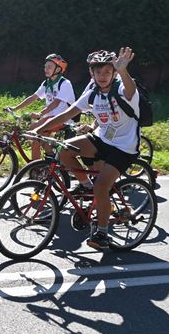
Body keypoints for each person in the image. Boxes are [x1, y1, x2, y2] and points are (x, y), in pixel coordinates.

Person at [36, 47, 140, 250]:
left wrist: (123, 70)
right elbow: (67, 114)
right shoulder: (93, 94)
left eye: (107, 72)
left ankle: (102, 233)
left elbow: (131, 90)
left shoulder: (121, 89)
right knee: (64, 151)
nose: (103, 76)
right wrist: (40, 129)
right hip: (102, 139)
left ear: (114, 73)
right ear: (92, 74)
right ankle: (86, 185)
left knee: (102, 186)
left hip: (124, 147)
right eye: (98, 72)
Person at [6, 53, 76, 159]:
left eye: (49, 67)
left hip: (64, 119)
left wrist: (40, 114)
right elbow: (33, 97)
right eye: (45, 66)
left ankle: (50, 156)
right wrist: (15, 108)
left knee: (34, 129)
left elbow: (56, 103)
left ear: (58, 69)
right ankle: (37, 167)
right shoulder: (46, 83)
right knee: (35, 141)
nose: (46, 69)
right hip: (49, 118)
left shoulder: (65, 83)